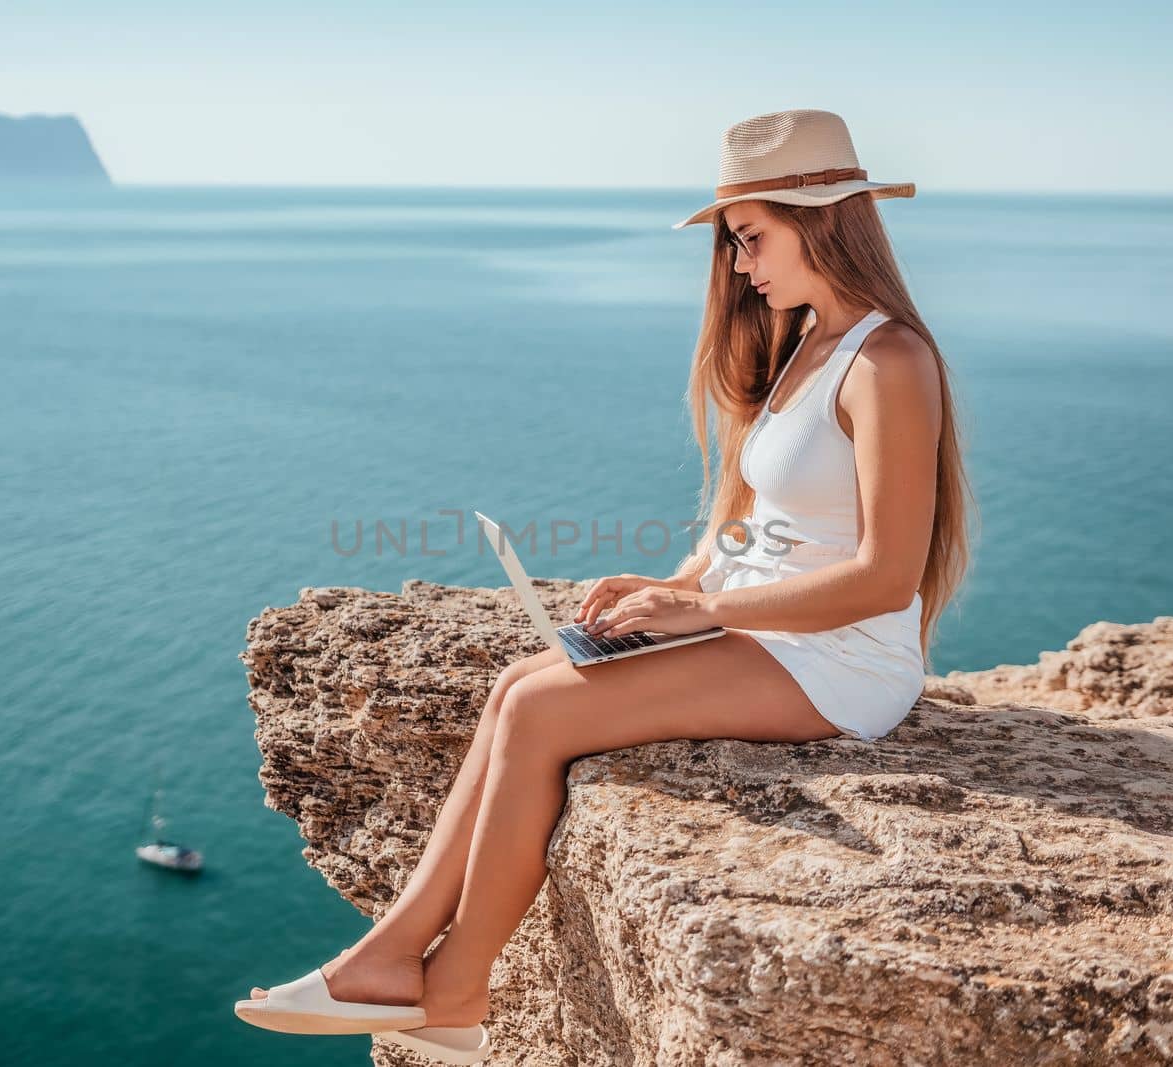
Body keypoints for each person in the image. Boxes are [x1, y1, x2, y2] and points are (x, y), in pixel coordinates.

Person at [237, 108, 975, 1061]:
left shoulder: (890, 360)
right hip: (765, 632)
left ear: (819, 217)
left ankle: (452, 986)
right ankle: (395, 956)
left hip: (841, 661)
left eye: (750, 238)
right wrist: (676, 581)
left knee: (546, 710)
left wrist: (703, 610)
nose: (741, 265)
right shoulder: (804, 345)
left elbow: (884, 577)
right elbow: (763, 523)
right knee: (517, 685)